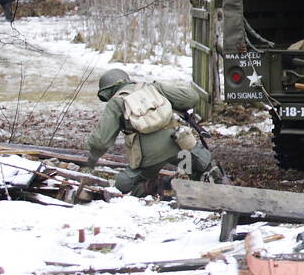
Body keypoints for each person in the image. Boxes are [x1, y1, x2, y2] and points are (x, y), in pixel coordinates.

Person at [83, 68, 220, 197]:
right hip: (179, 142)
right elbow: (191, 98)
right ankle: (213, 194)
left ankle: (154, 186)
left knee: (124, 183)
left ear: (109, 90)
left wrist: (91, 161)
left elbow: (101, 142)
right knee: (206, 165)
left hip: (148, 157)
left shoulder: (116, 102)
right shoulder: (152, 88)